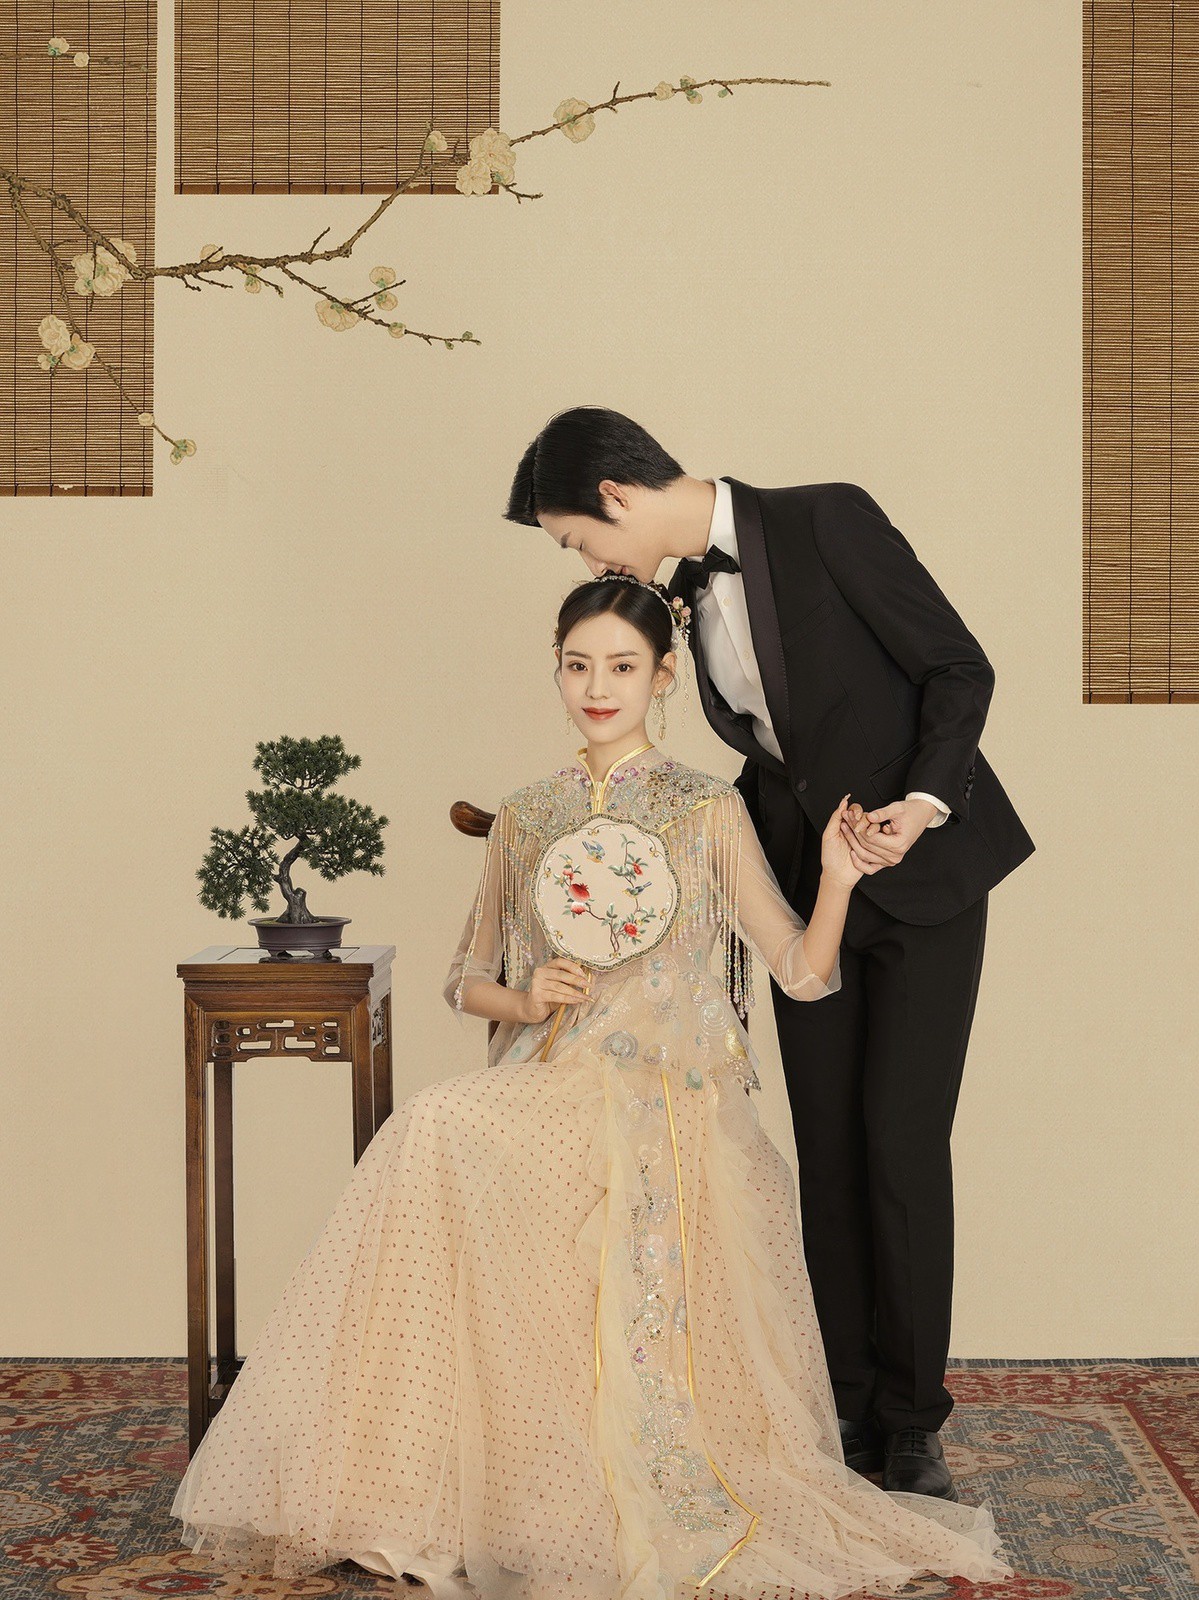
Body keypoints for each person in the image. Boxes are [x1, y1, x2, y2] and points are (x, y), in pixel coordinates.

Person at [169, 576, 1014, 1600]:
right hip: (556, 1078)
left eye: (621, 666)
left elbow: (800, 971)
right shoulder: (529, 814)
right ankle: (405, 1480)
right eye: (578, 666)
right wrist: (525, 998)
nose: (597, 687)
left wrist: (835, 879)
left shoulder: (708, 810)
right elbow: (463, 980)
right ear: (557, 673)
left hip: (677, 1099)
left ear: (664, 676)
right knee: (430, 1125)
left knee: (445, 1128)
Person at [506, 406, 1036, 1501]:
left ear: (612, 496)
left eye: (575, 540)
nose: (588, 563)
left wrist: (922, 803)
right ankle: (843, 1405)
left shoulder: (827, 519)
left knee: (899, 1145)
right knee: (827, 1151)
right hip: (806, 890)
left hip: (923, 873)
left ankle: (912, 1423)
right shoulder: (675, 597)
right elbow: (775, 756)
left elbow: (955, 668)